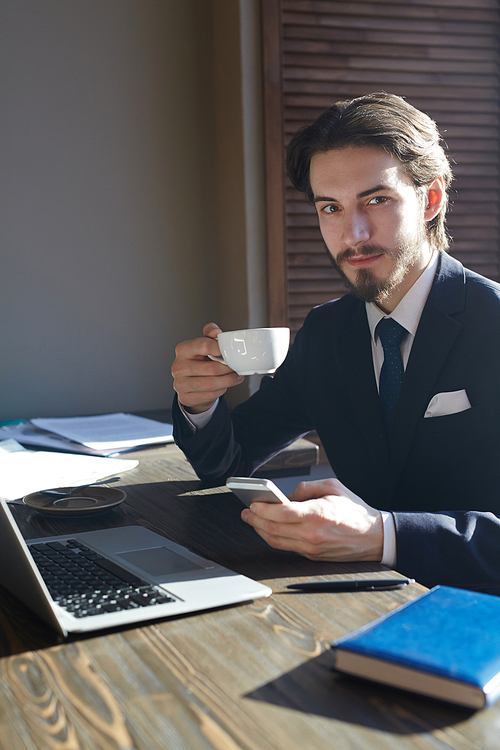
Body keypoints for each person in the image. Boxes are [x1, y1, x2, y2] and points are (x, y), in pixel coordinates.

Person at [171, 92, 500, 594]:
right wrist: (199, 404)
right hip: (347, 601)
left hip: (476, 617)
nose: (354, 233)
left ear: (431, 199)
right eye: (331, 207)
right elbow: (230, 463)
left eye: (377, 199)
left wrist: (383, 536)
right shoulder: (327, 333)